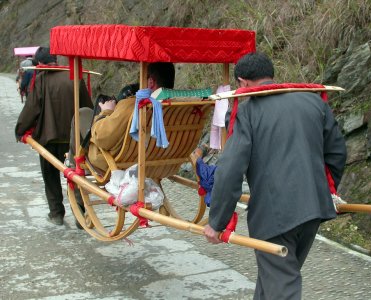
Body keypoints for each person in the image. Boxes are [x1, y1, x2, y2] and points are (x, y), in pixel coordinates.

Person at [203, 52, 347, 300]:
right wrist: (325, 193)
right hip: (313, 211)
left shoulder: (247, 110)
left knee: (281, 285)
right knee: (275, 277)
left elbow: (230, 170)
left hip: (275, 216)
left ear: (243, 82)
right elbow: (336, 153)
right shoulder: (313, 101)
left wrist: (217, 222)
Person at [15, 46, 93, 226]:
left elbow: (32, 108)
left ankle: (57, 213)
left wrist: (20, 130)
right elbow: (87, 108)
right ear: (55, 60)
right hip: (74, 139)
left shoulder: (41, 79)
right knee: (76, 174)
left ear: (40, 63)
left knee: (50, 176)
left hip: (49, 139)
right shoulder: (75, 77)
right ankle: (81, 214)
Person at [87, 62, 175, 171]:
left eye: (142, 77)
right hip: (159, 163)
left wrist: (107, 112)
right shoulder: (180, 107)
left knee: (83, 113)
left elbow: (100, 137)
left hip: (119, 163)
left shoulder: (132, 106)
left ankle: (74, 166)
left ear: (151, 82)